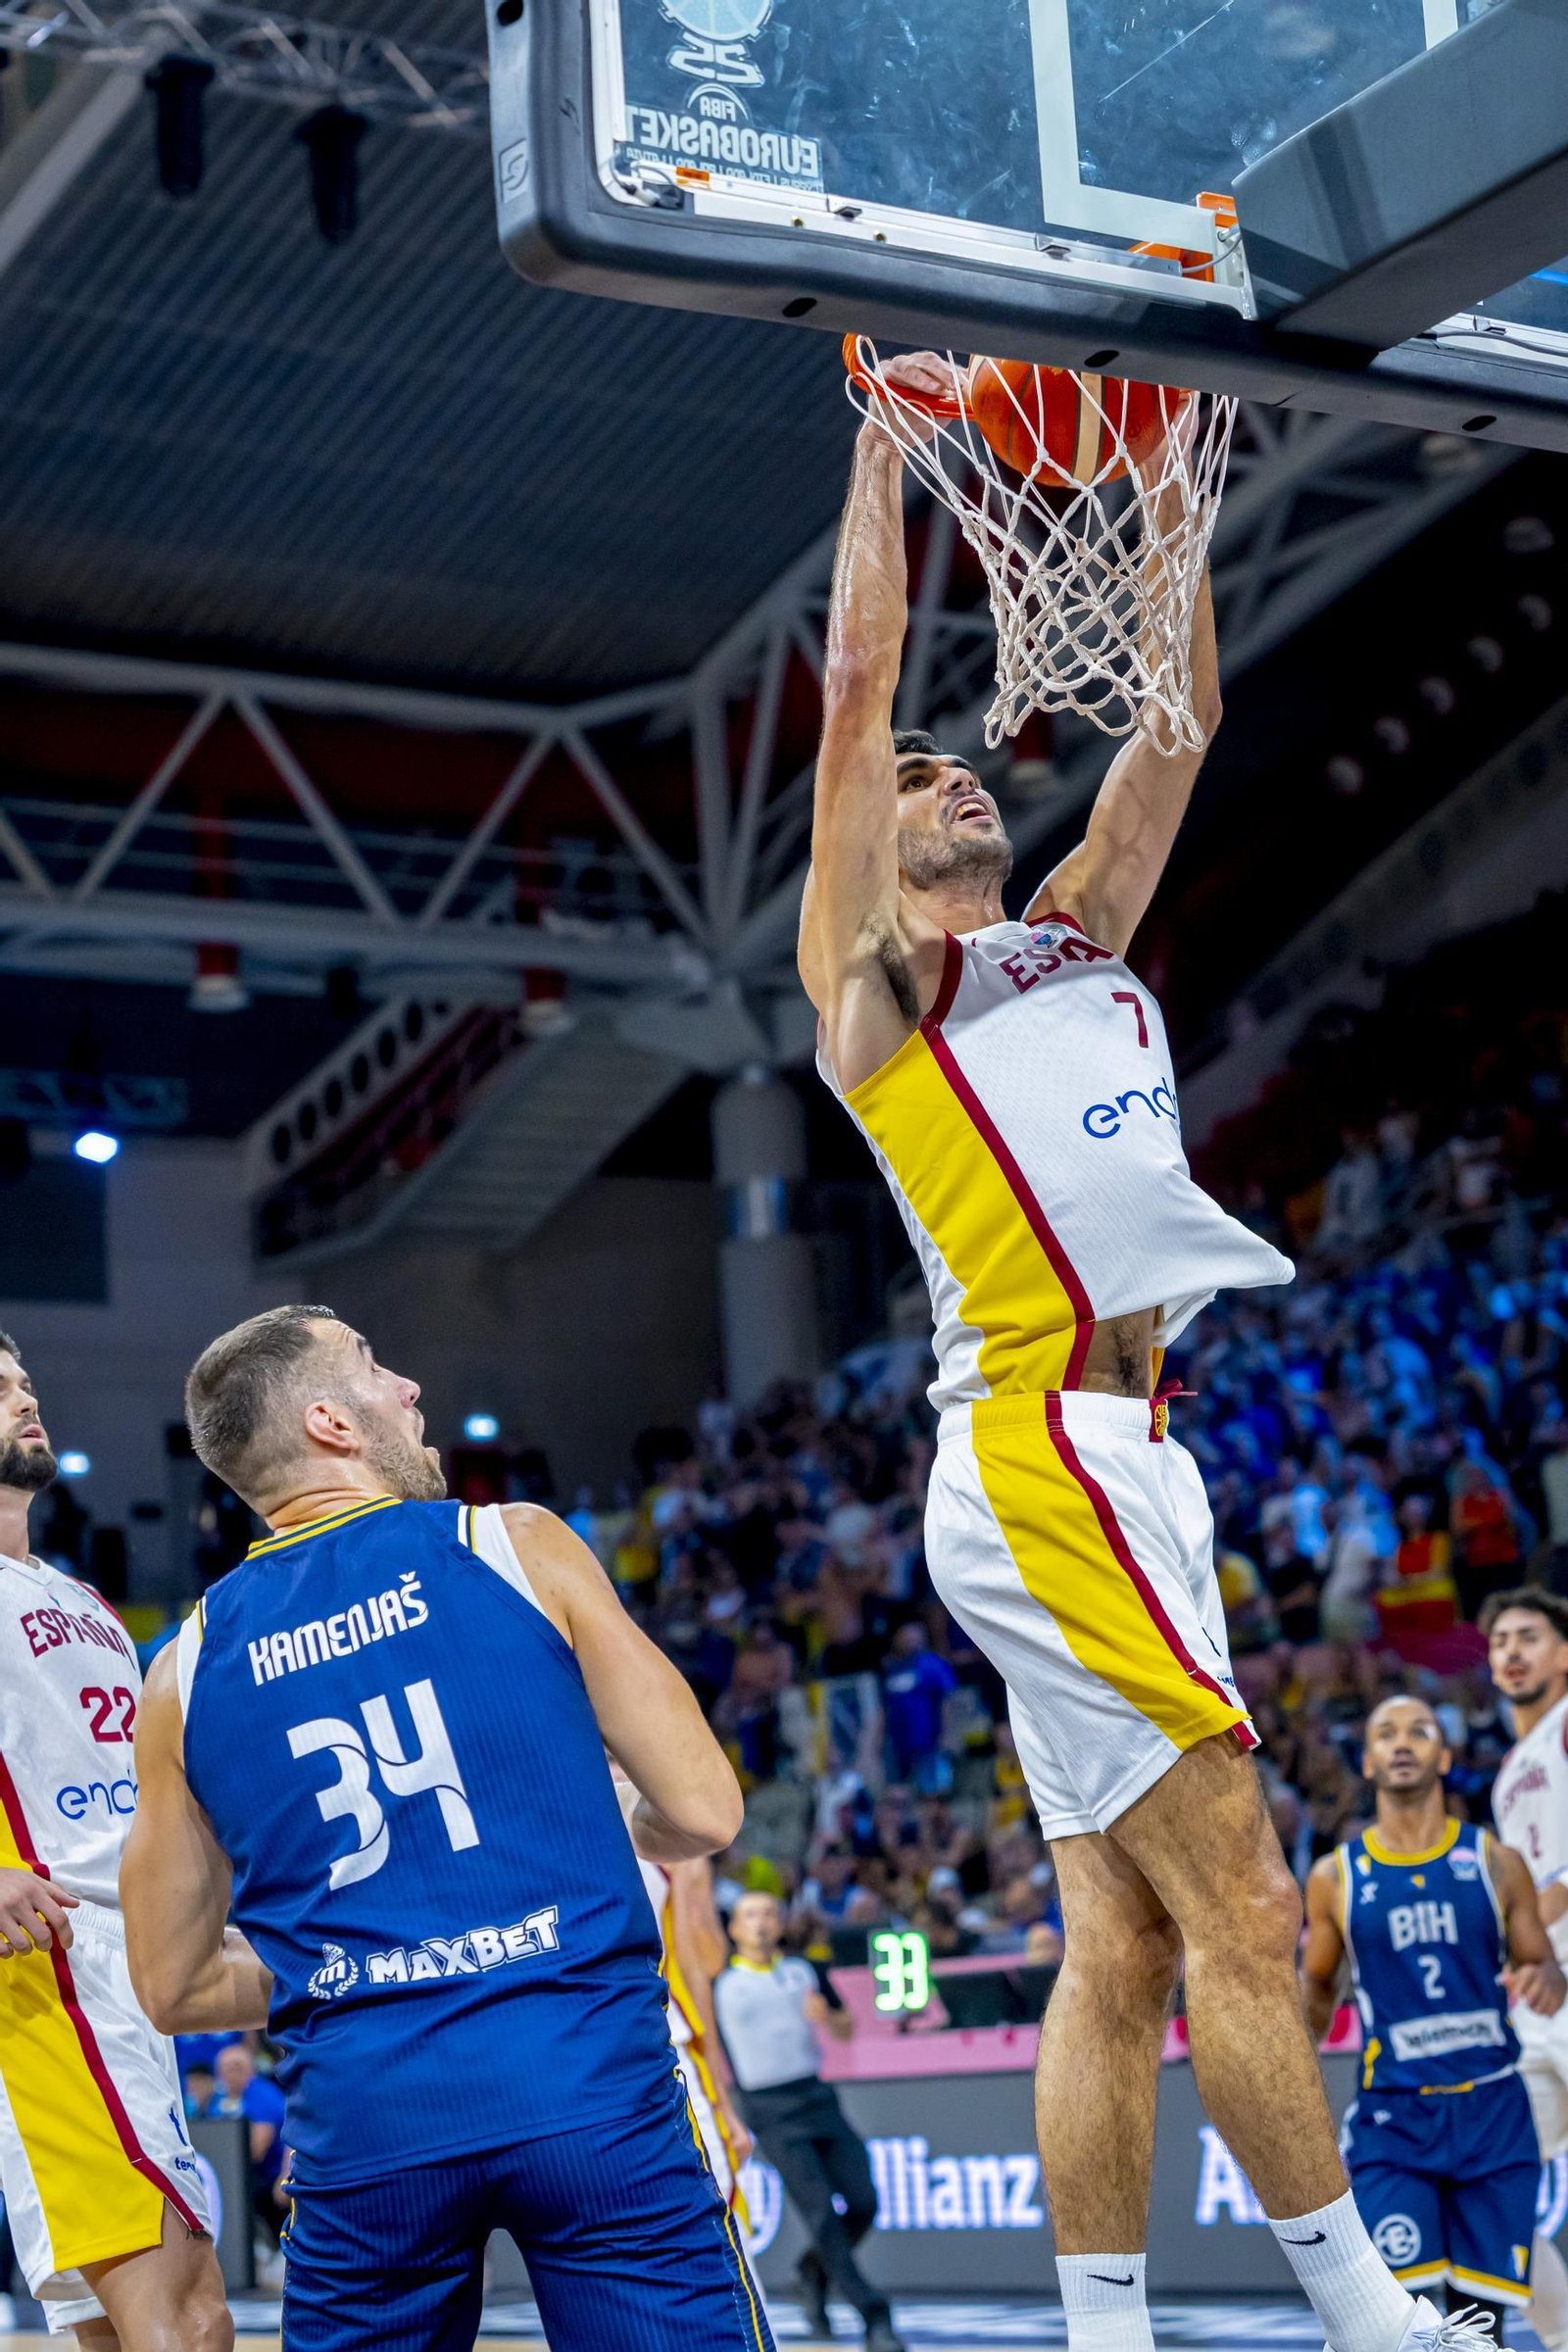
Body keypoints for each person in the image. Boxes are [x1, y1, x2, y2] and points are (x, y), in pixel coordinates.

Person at [798, 356, 1481, 2352]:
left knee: (1116, 1943)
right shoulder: (881, 991)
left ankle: (1100, 2335)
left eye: (956, 769)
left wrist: (1174, 465)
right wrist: (880, 445)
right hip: (1036, 1453)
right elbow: (849, 699)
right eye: (921, 781)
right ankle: (1369, 2324)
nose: (945, 780)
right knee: (1250, 1913)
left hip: (1129, 1453)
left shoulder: (1074, 932)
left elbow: (1167, 732)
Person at [120, 1304, 768, 2352]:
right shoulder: (515, 1544)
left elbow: (172, 1987)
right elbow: (703, 1809)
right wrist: (609, 1842)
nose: (409, 1389)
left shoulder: (181, 1671)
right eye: (376, 1367)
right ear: (331, 1422)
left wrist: (352, 1964)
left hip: (367, 2130)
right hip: (587, 2090)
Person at [0, 1331, 228, 2350]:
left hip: (131, 1963)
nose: (22, 1396)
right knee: (188, 2315)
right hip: (50, 1973)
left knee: (120, 2329)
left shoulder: (82, 1598)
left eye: (22, 1381)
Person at [1300, 1694, 1562, 2345]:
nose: (1403, 1741)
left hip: (1493, 2115)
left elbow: (1544, 1970)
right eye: (1385, 1733)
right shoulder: (1336, 1876)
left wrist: (1548, 1980)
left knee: (1482, 2328)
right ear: (1367, 1762)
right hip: (1396, 2119)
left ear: (1443, 1756)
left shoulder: (1497, 1863)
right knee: (1399, 2319)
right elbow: (1315, 1992)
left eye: (1420, 1729)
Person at [713, 1890, 900, 2352]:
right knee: (820, 2214)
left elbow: (845, 2028)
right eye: (749, 1915)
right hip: (767, 2106)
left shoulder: (805, 1971)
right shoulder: (720, 1983)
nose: (760, 1922)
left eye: (768, 1913)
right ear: (734, 1929)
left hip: (816, 2095)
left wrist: (830, 2018)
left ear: (779, 1924)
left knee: (864, 2201)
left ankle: (812, 2274)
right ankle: (873, 2314)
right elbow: (713, 2055)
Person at [614, 1770, 755, 2223]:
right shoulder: (667, 1827)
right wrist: (722, 2103)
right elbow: (703, 1966)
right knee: (712, 2204)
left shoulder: (542, 1808)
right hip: (658, 2040)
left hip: (585, 2049)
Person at [1486, 1587, 1568, 2352]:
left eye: (1530, 1636)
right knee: (1497, 2191)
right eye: (1500, 1640)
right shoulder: (1511, 1773)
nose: (1511, 1650)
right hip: (1540, 2005)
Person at [202, 2042, 287, 2248]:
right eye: (227, 2068)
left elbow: (257, 2149)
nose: (232, 2073)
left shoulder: (262, 2094)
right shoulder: (219, 2099)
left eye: (238, 2067)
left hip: (270, 2179)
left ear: (250, 2069)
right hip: (236, 2179)